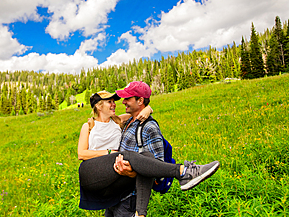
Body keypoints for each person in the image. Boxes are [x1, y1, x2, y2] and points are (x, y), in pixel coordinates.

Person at [78, 84, 220, 217]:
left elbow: (140, 113)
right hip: (91, 170)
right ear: (98, 105)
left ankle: (140, 213)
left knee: (145, 157)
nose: (118, 103)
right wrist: (112, 152)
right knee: (129, 156)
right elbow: (81, 154)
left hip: (114, 181)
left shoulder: (119, 121)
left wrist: (148, 108)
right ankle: (182, 171)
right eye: (110, 101)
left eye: (118, 100)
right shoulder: (90, 125)